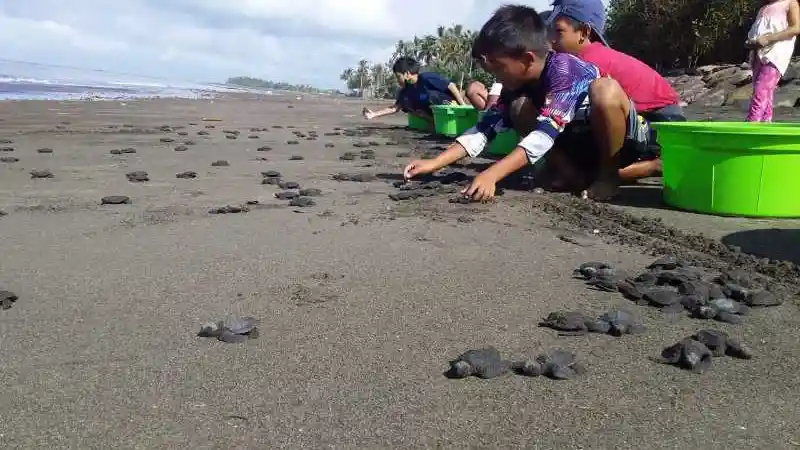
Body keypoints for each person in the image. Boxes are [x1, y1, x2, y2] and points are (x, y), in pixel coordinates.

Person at [403, 4, 647, 201]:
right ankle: (571, 174)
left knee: (604, 91)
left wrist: (492, 174)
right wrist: (434, 163)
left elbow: (544, 134)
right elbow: (484, 128)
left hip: (621, 143)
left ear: (527, 59)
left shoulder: (564, 70)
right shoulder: (515, 85)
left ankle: (609, 175)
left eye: (499, 68)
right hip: (580, 145)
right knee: (519, 107)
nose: (496, 77)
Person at [545, 0, 684, 181]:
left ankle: (649, 166)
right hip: (641, 119)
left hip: (662, 127)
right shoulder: (581, 57)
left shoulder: (589, 62)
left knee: (582, 173)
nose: (552, 39)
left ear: (584, 33)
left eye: (558, 31)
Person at [363, 57, 467, 124]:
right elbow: (395, 108)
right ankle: (434, 123)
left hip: (451, 106)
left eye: (398, 76)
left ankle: (448, 121)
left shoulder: (426, 78)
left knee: (431, 95)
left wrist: (463, 106)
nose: (397, 80)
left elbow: (451, 86)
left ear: (407, 74)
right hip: (434, 116)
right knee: (407, 103)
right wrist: (374, 114)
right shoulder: (406, 90)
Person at [745, 0, 800, 122]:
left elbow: (796, 28)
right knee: (765, 92)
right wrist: (751, 42)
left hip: (776, 53)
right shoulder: (763, 8)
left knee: (761, 90)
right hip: (758, 53)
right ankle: (765, 122)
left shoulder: (790, 3)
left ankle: (752, 122)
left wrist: (769, 39)